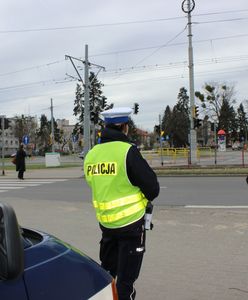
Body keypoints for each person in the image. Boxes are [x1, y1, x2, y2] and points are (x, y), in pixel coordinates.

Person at [84, 107, 160, 300]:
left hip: (107, 226)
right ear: (124, 127)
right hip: (131, 226)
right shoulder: (128, 151)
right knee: (125, 284)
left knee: (106, 276)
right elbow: (152, 188)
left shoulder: (91, 155)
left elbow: (94, 183)